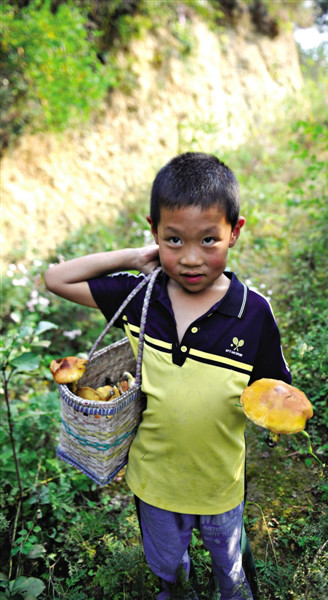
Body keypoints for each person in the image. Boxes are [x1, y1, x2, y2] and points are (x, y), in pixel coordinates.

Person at [44, 152, 291, 600]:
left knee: (231, 574)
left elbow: (275, 389)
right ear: (154, 230)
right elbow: (56, 278)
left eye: (209, 240)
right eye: (174, 240)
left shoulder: (252, 313)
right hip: (154, 483)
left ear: (235, 232)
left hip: (220, 485)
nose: (191, 259)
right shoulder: (140, 294)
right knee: (170, 572)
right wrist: (137, 257)